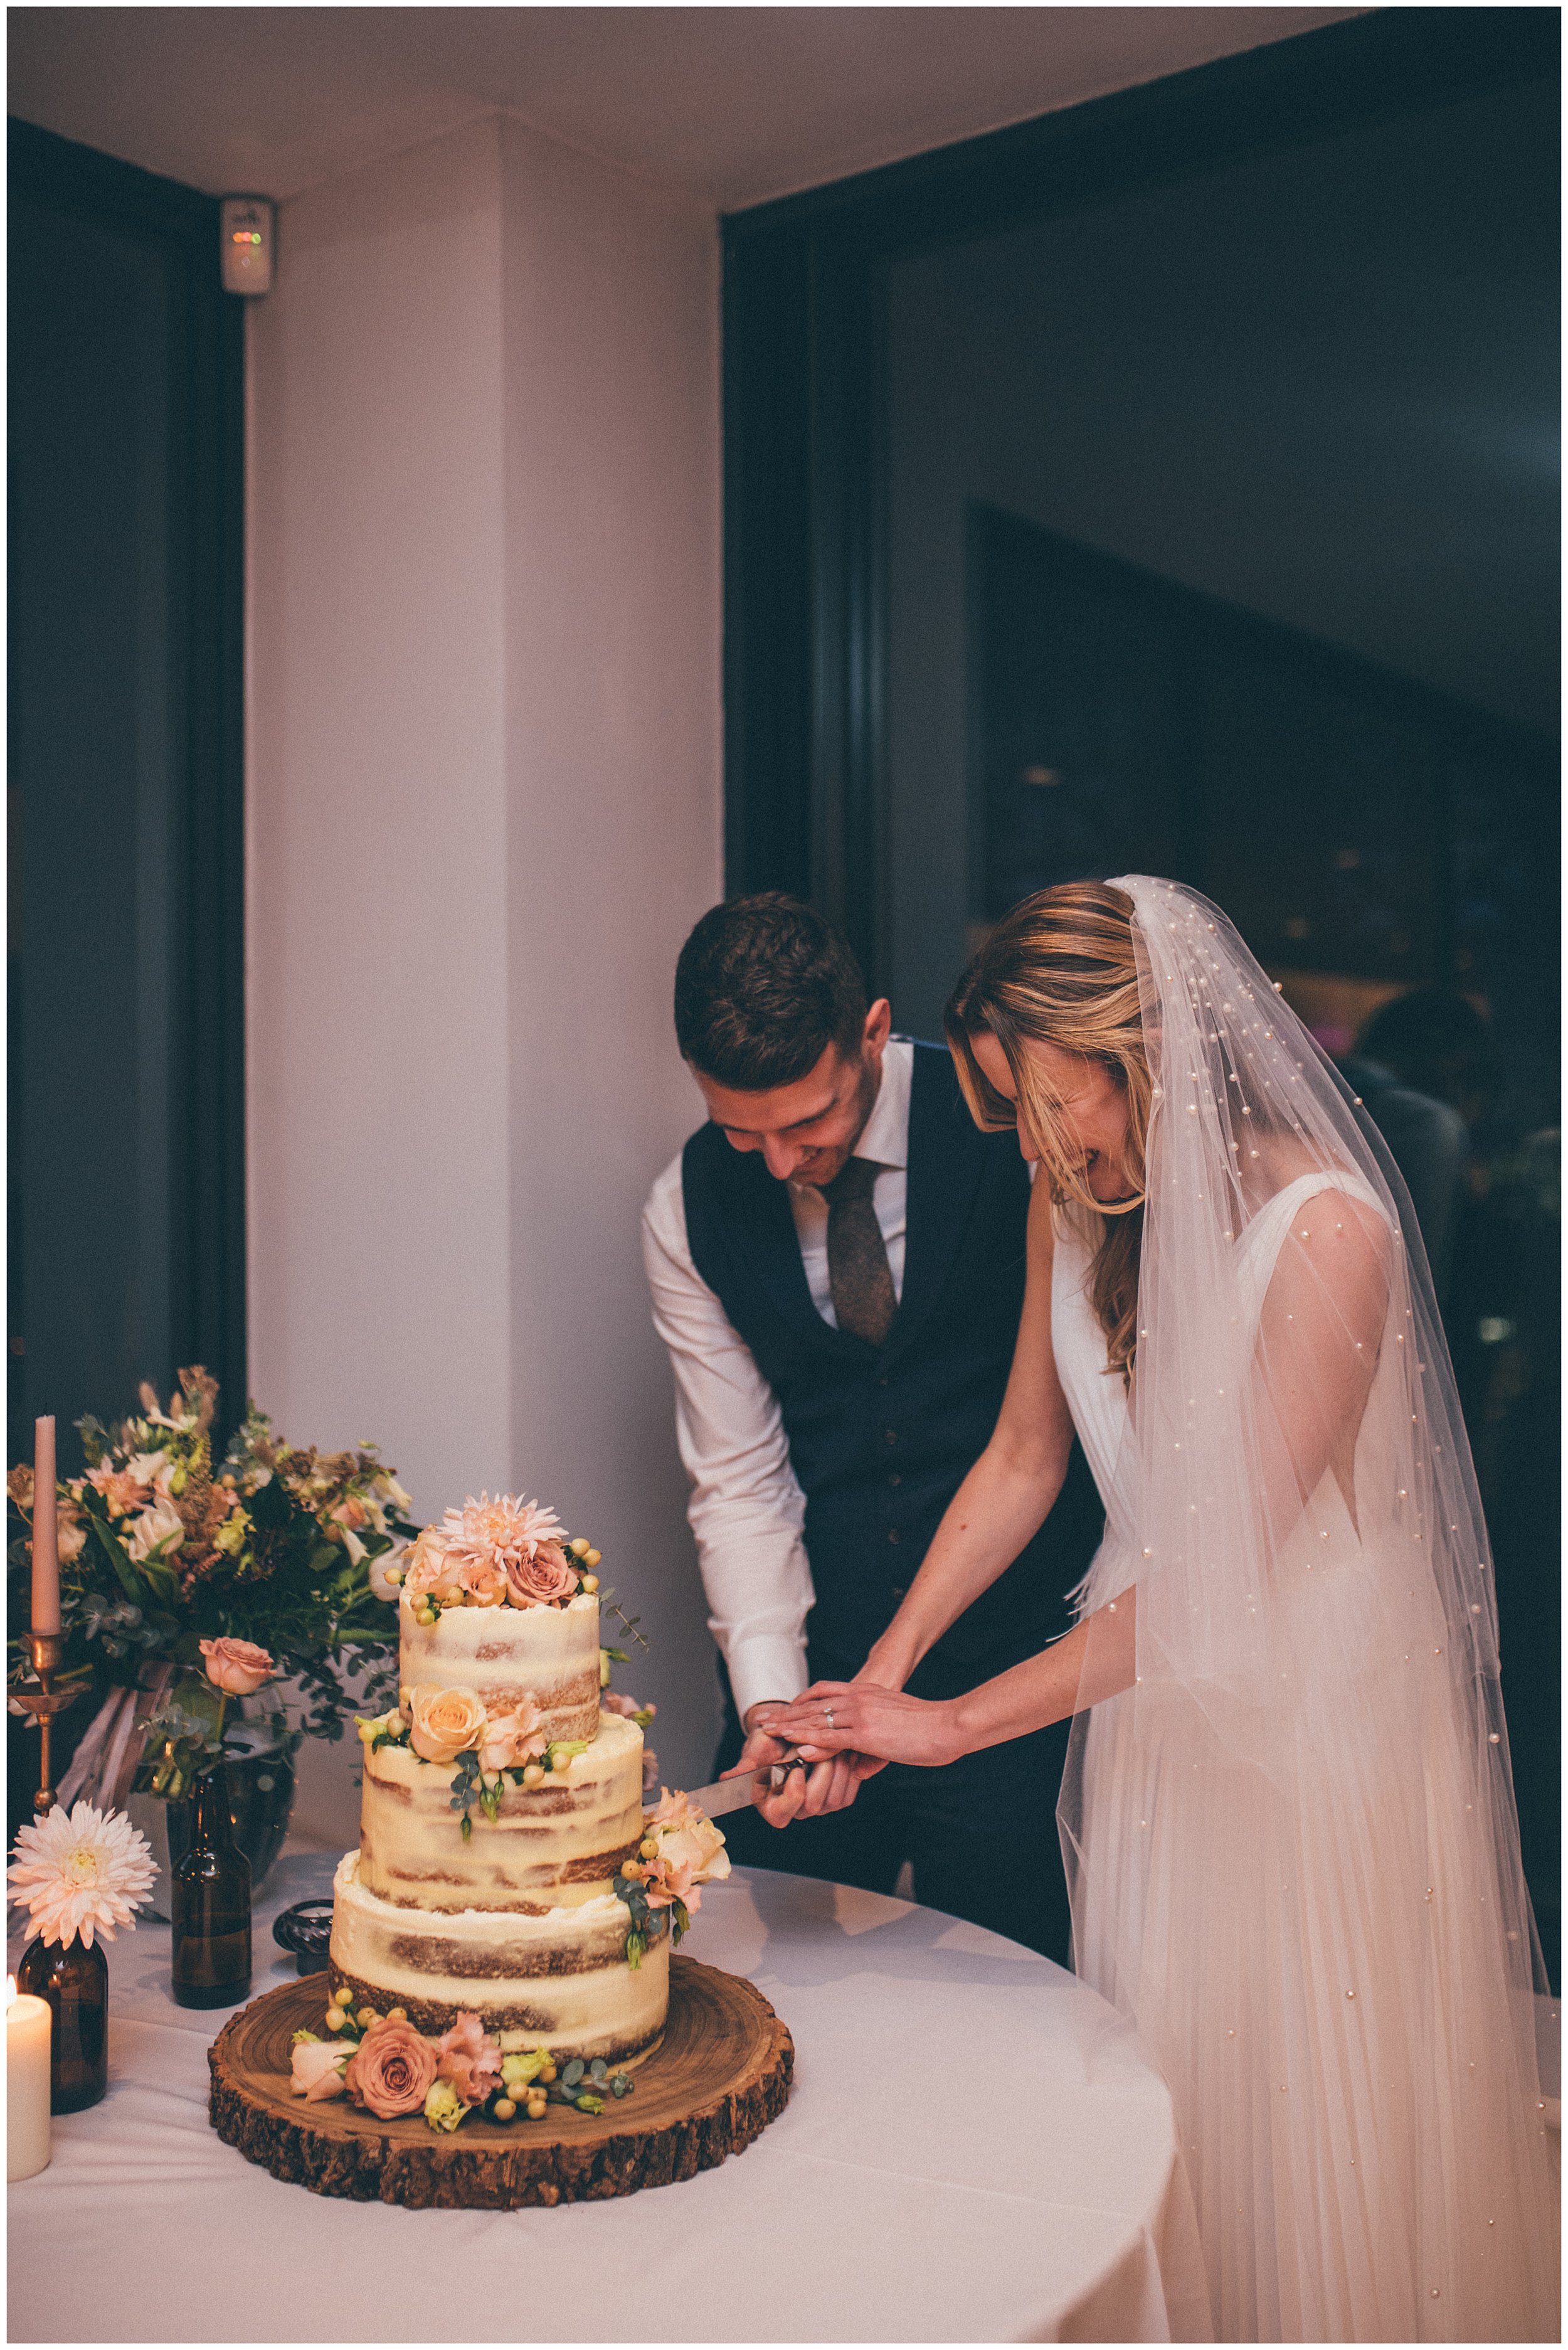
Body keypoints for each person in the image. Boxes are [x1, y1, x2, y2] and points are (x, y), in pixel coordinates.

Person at [767, 878, 1556, 2344]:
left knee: (1307, 2104)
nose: (1030, 1142)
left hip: (1308, 1726)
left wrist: (940, 1726)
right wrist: (869, 1680)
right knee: (1172, 2074)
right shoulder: (1068, 1203)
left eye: (1045, 1100)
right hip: (1150, 1715)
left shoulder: (1330, 1238)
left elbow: (1212, 1585)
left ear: (1128, 1051)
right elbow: (1019, 1457)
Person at [640, 892, 1103, 1960]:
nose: (774, 1161)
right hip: (819, 1678)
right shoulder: (685, 1208)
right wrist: (769, 1702)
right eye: (737, 1129)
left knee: (1018, 2009)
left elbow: (1043, 1439)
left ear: (872, 1033)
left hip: (1011, 1680)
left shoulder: (1015, 1128)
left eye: (807, 1122)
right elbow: (741, 1481)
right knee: (782, 2009)